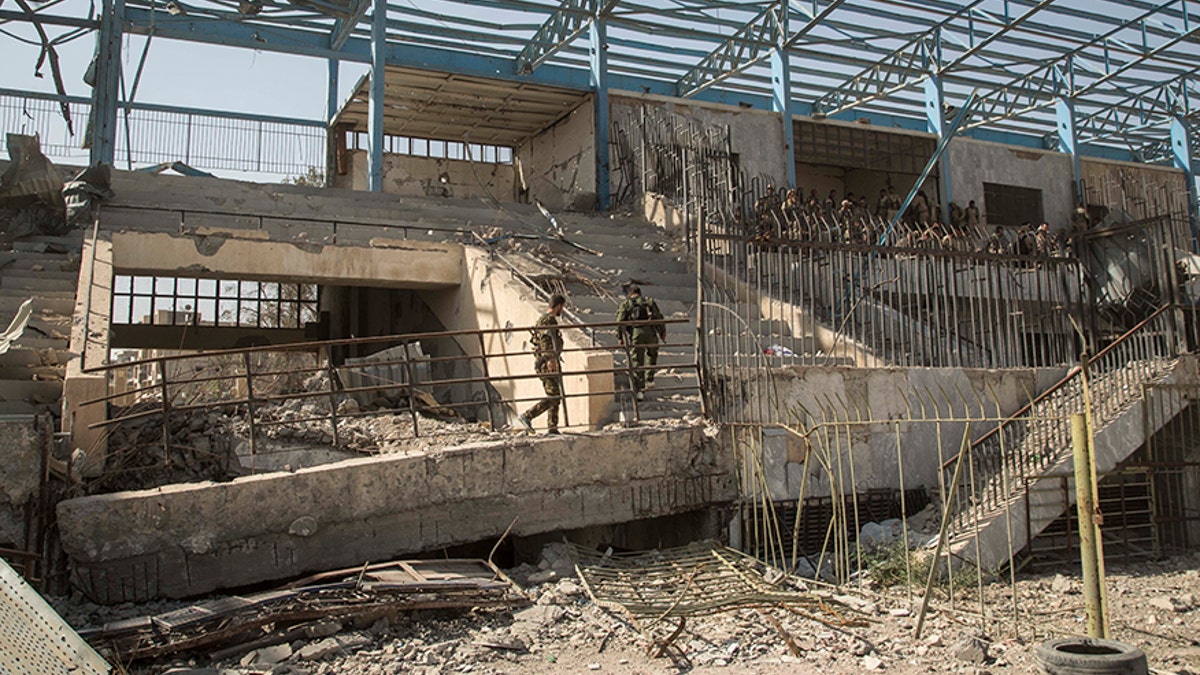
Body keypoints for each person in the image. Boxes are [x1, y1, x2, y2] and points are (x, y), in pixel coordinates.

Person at [517, 294, 566, 434]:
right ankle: (527, 416)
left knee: (554, 394)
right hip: (546, 362)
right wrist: (550, 359)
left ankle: (552, 426)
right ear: (558, 306)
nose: (562, 310)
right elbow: (546, 340)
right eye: (562, 307)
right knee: (555, 395)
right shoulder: (548, 320)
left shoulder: (547, 320)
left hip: (547, 361)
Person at [617, 285, 665, 400]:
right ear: (640, 293)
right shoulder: (649, 302)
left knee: (637, 361)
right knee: (652, 354)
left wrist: (620, 337)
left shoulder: (626, 304)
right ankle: (650, 379)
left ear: (630, 294)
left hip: (636, 333)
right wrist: (662, 332)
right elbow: (659, 317)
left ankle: (640, 391)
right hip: (651, 332)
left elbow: (620, 321)